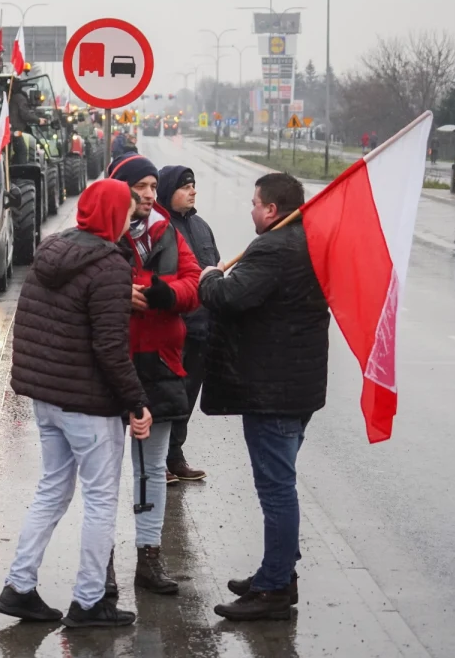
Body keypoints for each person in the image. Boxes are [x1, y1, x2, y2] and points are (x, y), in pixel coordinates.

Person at [0, 180, 151, 629]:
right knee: (101, 500)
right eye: (127, 209)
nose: (130, 217)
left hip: (49, 399)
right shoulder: (109, 266)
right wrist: (136, 402)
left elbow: (32, 326)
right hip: (89, 405)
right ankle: (89, 601)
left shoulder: (52, 252)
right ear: (112, 214)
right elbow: (109, 347)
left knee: (52, 490)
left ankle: (19, 587)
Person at [198, 172, 330, 621]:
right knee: (281, 485)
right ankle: (278, 572)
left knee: (276, 490)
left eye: (255, 203)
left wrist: (209, 277)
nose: (251, 210)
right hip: (299, 387)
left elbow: (231, 297)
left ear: (272, 210)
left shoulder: (273, 248)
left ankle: (274, 590)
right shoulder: (309, 243)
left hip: (273, 391)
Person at [105, 154, 200, 595]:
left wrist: (165, 294)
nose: (146, 194)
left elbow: (194, 283)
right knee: (103, 474)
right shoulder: (102, 233)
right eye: (138, 186)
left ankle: (149, 559)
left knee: (152, 470)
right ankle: (99, 565)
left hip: (160, 366)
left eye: (150, 186)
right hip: (109, 366)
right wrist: (117, 295)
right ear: (120, 189)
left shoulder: (168, 233)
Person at [157, 165, 221, 483]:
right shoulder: (158, 229)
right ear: (168, 193)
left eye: (193, 185)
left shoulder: (202, 226)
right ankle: (158, 462)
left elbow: (214, 269)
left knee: (187, 396)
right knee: (167, 396)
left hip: (201, 328)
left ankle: (175, 455)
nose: (193, 191)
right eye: (185, 187)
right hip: (171, 329)